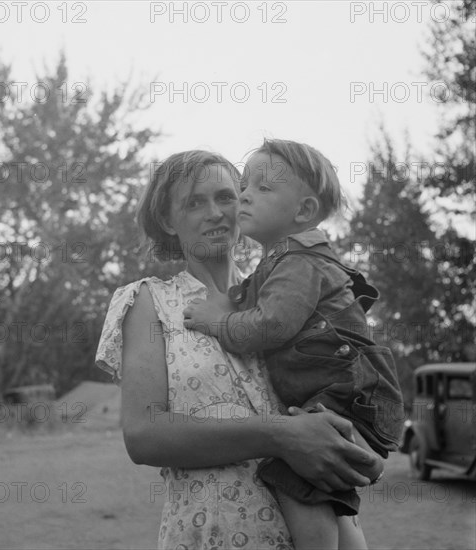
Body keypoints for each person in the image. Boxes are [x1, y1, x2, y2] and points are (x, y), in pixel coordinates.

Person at [96, 150, 382, 550]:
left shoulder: (284, 296)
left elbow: (339, 391)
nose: (215, 213)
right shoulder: (149, 301)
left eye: (226, 196)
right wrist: (281, 436)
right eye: (194, 202)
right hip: (206, 534)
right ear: (167, 219)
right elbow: (144, 436)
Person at [183, 140, 404, 549]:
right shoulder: (279, 263)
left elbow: (270, 327)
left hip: (350, 394)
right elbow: (248, 299)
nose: (246, 193)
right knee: (321, 489)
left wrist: (218, 322)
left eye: (264, 188)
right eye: (245, 184)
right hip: (341, 396)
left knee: (294, 481)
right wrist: (228, 303)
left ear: (302, 211)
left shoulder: (300, 263)